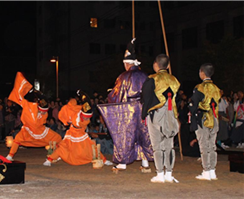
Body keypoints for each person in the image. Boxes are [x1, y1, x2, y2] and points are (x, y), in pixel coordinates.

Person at [98, 38, 153, 172]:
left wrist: (110, 94)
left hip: (129, 110)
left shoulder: (124, 76)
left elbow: (116, 95)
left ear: (127, 64)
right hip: (144, 108)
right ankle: (145, 163)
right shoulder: (145, 75)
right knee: (143, 135)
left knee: (125, 135)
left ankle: (122, 163)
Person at [43, 90, 113, 167]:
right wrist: (68, 122)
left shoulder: (79, 110)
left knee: (90, 146)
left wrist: (84, 97)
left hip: (81, 132)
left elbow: (86, 111)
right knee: (63, 147)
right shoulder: (70, 111)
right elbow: (64, 118)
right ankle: (49, 159)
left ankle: (104, 160)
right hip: (72, 132)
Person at [5, 72, 62, 161]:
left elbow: (19, 96)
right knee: (17, 139)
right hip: (31, 129)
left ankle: (56, 155)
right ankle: (10, 156)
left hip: (37, 130)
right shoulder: (28, 105)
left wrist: (34, 92)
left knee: (57, 138)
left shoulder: (31, 106)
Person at [141, 54, 180, 183]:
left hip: (156, 114)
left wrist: (143, 114)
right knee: (168, 144)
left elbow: (145, 98)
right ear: (168, 66)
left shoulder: (152, 79)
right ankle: (169, 173)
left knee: (157, 145)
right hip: (170, 112)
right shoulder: (174, 80)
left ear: (155, 65)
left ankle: (159, 173)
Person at [188, 63, 221, 181]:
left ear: (202, 73)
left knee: (204, 145)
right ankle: (212, 170)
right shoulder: (216, 88)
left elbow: (193, 103)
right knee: (212, 145)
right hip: (215, 118)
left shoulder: (200, 87)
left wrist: (191, 111)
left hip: (203, 118)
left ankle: (206, 170)